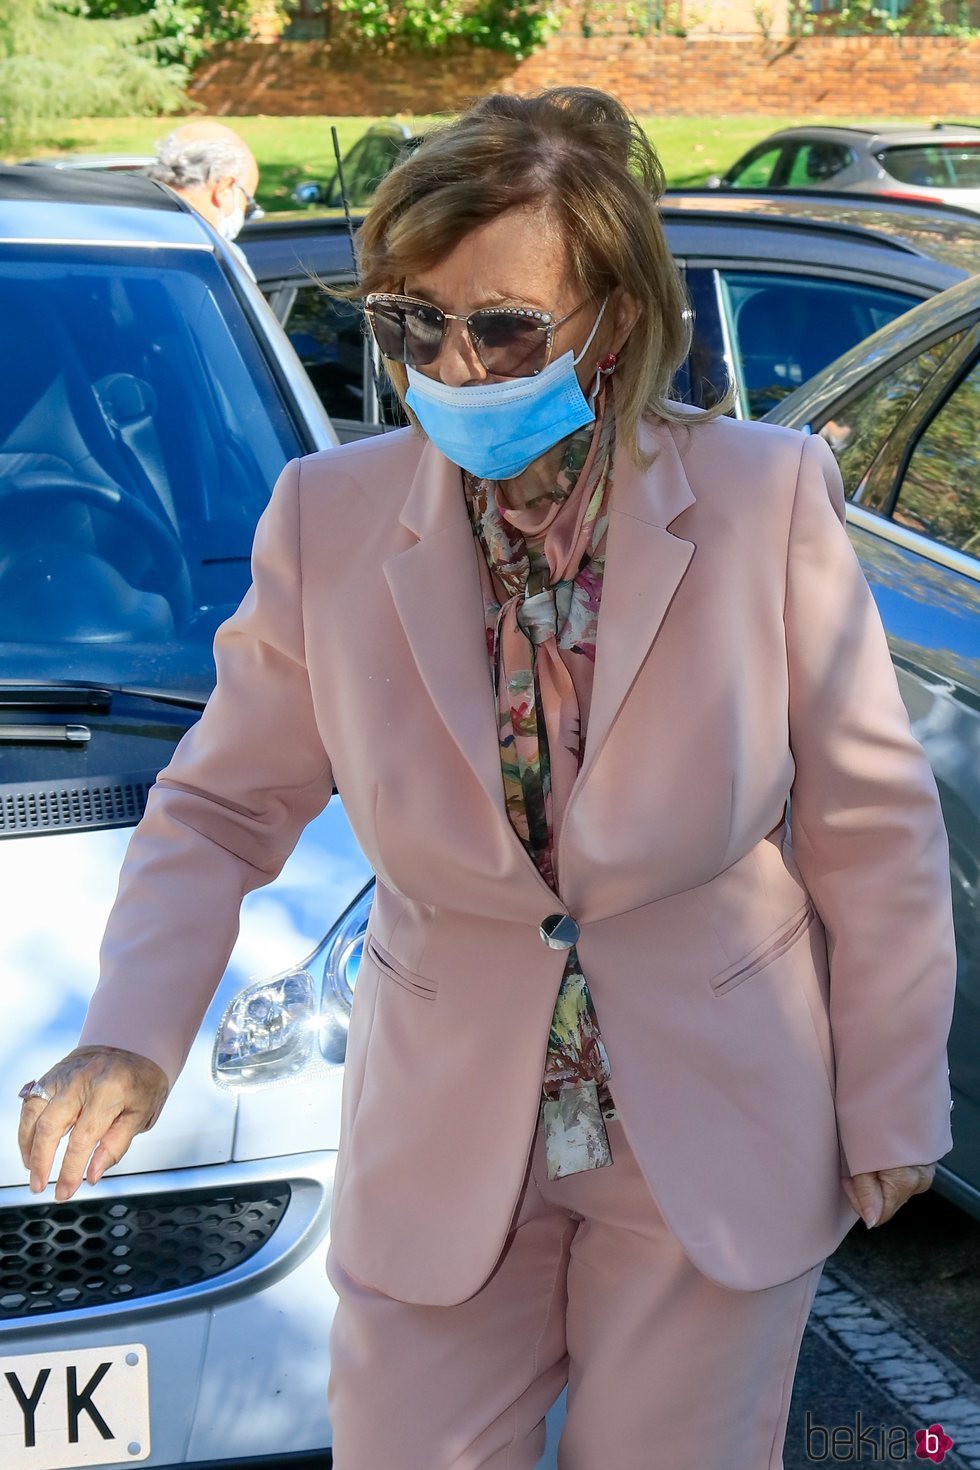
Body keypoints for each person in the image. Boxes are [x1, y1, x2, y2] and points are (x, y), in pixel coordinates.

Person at [17, 88, 956, 1469]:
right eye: (411, 323)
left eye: (504, 326)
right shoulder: (326, 523)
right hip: (445, 1116)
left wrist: (891, 1093)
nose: (453, 365)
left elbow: (871, 825)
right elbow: (221, 805)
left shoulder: (767, 501)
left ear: (613, 320)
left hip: (710, 1114)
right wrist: (130, 1029)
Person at [148, 119, 260, 280]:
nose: (245, 211)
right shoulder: (220, 259)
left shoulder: (119, 227)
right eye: (247, 201)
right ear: (223, 189)